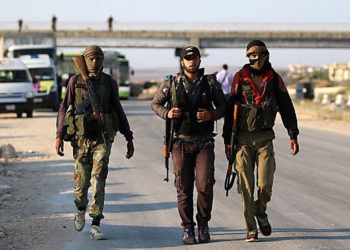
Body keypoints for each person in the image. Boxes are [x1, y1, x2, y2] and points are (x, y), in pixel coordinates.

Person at [223, 40, 299, 242]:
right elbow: (230, 109)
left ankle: (260, 210)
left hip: (265, 138)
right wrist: (227, 140)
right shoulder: (240, 77)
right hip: (243, 139)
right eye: (251, 55)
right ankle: (251, 227)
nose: (254, 58)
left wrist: (293, 134)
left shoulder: (274, 79)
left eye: (258, 54)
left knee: (265, 184)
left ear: (266, 55)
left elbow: (286, 108)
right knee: (246, 186)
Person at [55, 45, 135, 240]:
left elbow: (118, 108)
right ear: (84, 59)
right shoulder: (75, 81)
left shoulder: (109, 83)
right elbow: (64, 108)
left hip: (102, 138)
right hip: (81, 139)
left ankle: (96, 222)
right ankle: (80, 209)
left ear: (102, 60)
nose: (94, 61)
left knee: (98, 179)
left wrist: (128, 136)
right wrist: (59, 135)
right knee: (81, 185)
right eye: (90, 58)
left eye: (98, 57)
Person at [151, 46, 226, 244]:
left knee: (205, 186)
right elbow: (155, 104)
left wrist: (212, 114)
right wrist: (167, 113)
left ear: (200, 61)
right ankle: (187, 228)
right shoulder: (172, 82)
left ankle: (203, 224)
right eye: (188, 58)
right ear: (182, 62)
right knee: (183, 188)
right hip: (180, 143)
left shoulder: (210, 82)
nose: (192, 61)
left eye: (195, 58)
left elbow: (224, 106)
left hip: (204, 143)